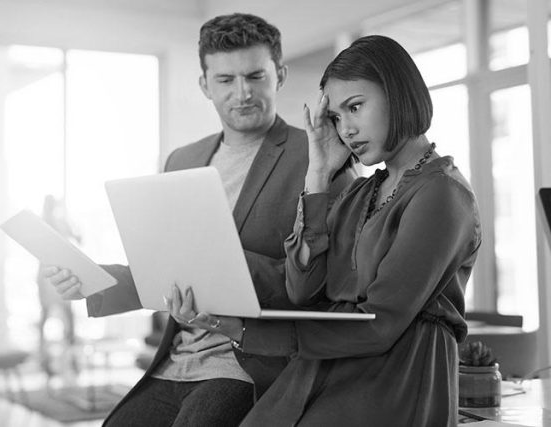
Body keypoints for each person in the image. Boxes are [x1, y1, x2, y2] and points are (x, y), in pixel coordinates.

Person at [43, 13, 356, 427]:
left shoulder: (318, 158)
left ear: (279, 75)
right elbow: (166, 269)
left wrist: (221, 264)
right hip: (177, 360)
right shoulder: (182, 161)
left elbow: (329, 284)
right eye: (225, 80)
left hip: (249, 364)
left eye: (255, 76)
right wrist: (91, 279)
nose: (242, 93)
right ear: (205, 85)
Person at [168, 35, 482, 426]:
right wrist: (318, 174)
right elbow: (302, 291)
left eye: (355, 107)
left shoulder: (441, 193)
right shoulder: (362, 192)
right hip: (327, 366)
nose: (346, 129)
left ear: (399, 96)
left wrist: (243, 329)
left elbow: (379, 323)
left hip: (395, 378)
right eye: (336, 117)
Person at [36, 195, 81, 380]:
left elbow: (79, 237)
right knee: (57, 320)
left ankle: (68, 361)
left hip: (55, 273)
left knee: (61, 321)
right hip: (50, 275)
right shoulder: (45, 224)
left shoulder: (57, 223)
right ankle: (51, 362)